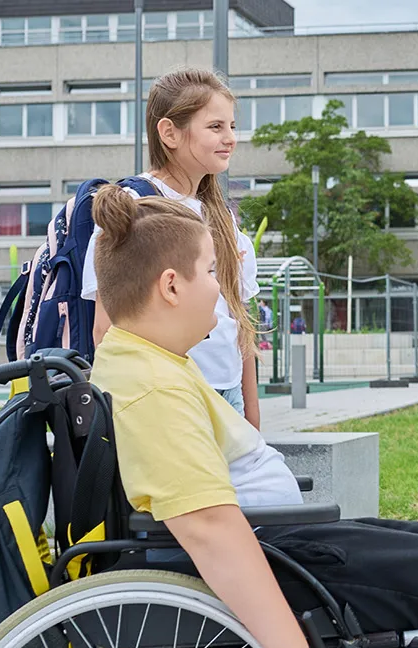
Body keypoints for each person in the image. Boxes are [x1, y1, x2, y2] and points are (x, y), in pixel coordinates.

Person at [86, 185, 418, 648]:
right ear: (171, 286)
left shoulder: (145, 359)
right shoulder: (154, 385)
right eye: (211, 272)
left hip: (269, 540)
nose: (220, 288)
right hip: (261, 551)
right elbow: (208, 529)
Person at [82, 67, 261, 429]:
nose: (230, 138)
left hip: (227, 396)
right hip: (164, 395)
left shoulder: (223, 217)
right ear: (169, 133)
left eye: (231, 126)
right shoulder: (133, 206)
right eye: (215, 127)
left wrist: (252, 419)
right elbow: (105, 329)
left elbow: (239, 326)